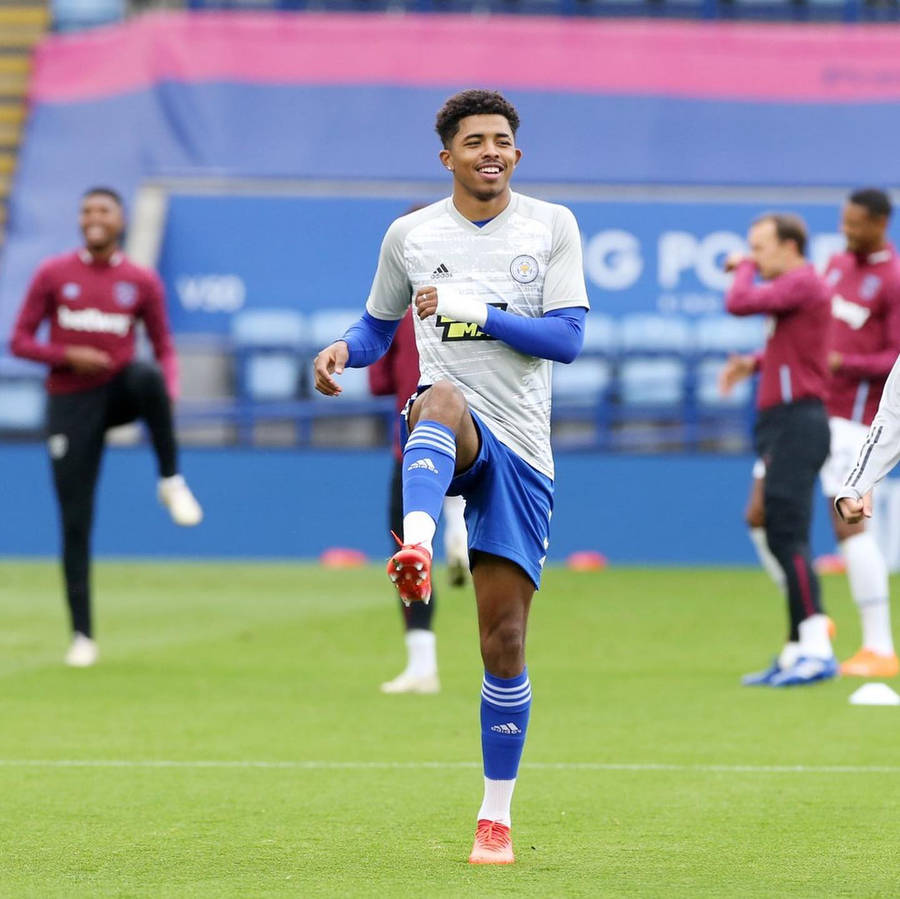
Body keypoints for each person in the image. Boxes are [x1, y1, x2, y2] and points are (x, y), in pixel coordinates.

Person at [314, 89, 588, 864]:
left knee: (504, 642)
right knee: (438, 397)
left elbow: (567, 340)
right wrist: (342, 349)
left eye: (501, 140)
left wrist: (479, 311)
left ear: (517, 153)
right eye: (474, 141)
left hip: (523, 449)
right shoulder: (411, 235)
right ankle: (419, 544)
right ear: (448, 157)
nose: (490, 152)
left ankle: (495, 816)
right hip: (452, 422)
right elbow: (377, 327)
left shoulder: (552, 226)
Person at [10, 187, 202, 668]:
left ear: (121, 220)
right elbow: (19, 340)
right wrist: (67, 354)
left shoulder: (140, 280)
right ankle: (82, 636)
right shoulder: (54, 273)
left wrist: (170, 389)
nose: (93, 217)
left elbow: (163, 345)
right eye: (87, 211)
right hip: (69, 403)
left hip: (117, 394)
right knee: (75, 521)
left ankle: (171, 480)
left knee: (147, 375)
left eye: (103, 211)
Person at [719, 213, 836, 687]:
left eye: (760, 247)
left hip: (797, 423)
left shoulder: (802, 282)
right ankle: (796, 648)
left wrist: (742, 267)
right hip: (783, 424)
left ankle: (818, 649)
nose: (754, 256)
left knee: (789, 535)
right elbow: (797, 351)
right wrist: (753, 364)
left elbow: (738, 302)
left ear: (790, 247)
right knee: (775, 529)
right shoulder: (798, 292)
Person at [368, 306, 470, 695]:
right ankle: (458, 526)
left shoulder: (399, 316)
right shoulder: (473, 307)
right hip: (475, 441)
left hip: (413, 448)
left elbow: (379, 382)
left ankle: (422, 667)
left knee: (408, 559)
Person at [819, 189, 900, 677]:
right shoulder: (835, 265)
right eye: (843, 222)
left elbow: (895, 358)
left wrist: (843, 363)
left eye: (855, 224)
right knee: (763, 513)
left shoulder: (893, 278)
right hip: (813, 408)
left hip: (858, 417)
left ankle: (879, 645)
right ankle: (810, 624)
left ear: (880, 223)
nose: (846, 231)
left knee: (849, 520)